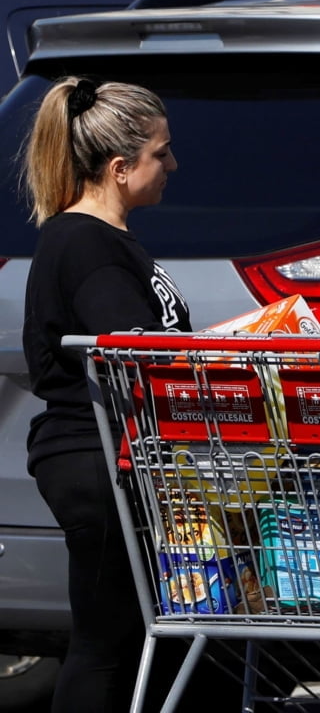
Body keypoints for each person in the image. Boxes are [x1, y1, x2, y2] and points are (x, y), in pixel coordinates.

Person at [21, 76, 191, 713]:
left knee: (150, 640)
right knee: (106, 643)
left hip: (121, 460)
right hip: (98, 460)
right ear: (121, 169)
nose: (172, 164)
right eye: (160, 153)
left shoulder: (103, 239)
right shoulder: (84, 242)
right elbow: (130, 347)